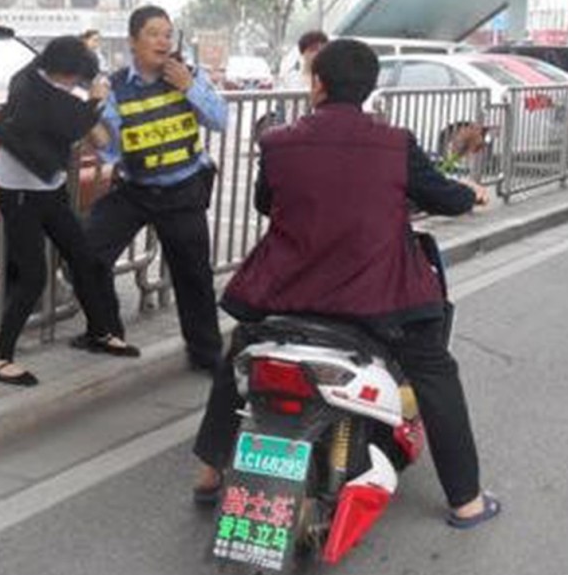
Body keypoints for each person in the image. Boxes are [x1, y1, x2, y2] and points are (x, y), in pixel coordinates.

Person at [191, 39, 501, 529]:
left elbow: (266, 204)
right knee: (435, 370)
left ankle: (210, 472)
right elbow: (442, 197)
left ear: (317, 84)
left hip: (284, 292)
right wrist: (471, 195)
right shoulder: (396, 144)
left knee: (239, 354)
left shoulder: (278, 143)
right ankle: (466, 499)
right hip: (378, 301)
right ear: (370, 88)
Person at [79, 5, 227, 370]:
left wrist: (190, 88)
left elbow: (220, 120)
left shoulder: (187, 76)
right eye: (154, 33)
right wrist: (91, 112)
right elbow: (110, 147)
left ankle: (207, 356)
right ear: (133, 42)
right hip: (135, 189)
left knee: (193, 276)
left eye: (168, 33)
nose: (163, 41)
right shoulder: (115, 87)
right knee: (86, 254)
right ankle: (106, 331)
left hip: (183, 189)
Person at [0, 36, 118, 386]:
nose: (75, 85)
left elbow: (69, 118)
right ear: (60, 71)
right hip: (19, 193)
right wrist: (93, 103)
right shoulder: (30, 89)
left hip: (49, 188)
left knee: (82, 256)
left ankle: (99, 332)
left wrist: (90, 84)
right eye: (74, 78)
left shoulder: (41, 78)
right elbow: (70, 126)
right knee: (33, 277)